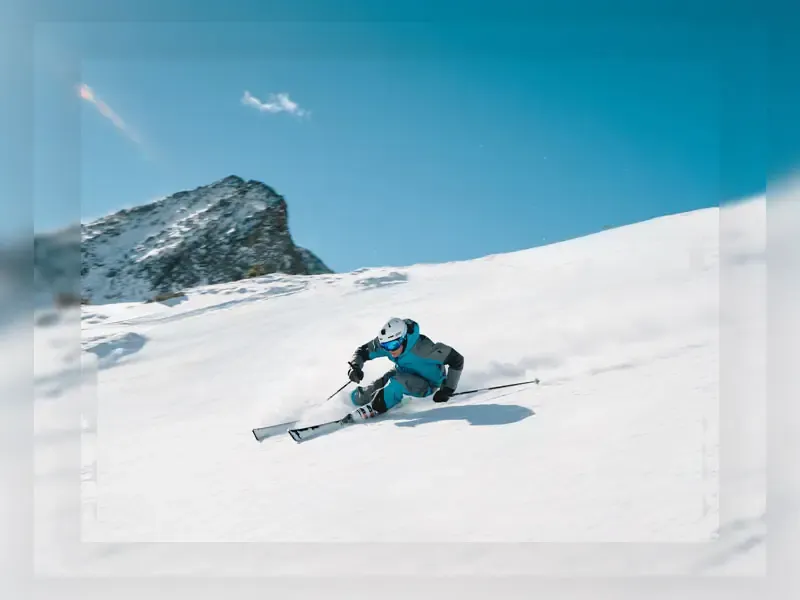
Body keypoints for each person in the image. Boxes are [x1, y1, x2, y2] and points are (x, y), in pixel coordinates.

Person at [343, 317, 464, 422]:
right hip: (403, 371)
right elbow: (363, 351)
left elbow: (457, 360)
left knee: (397, 384)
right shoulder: (388, 341)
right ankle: (350, 401)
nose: (390, 350)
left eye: (393, 345)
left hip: (427, 383)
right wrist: (355, 368)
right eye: (386, 346)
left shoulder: (425, 349)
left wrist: (447, 389)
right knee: (374, 387)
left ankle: (375, 407)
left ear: (403, 339)